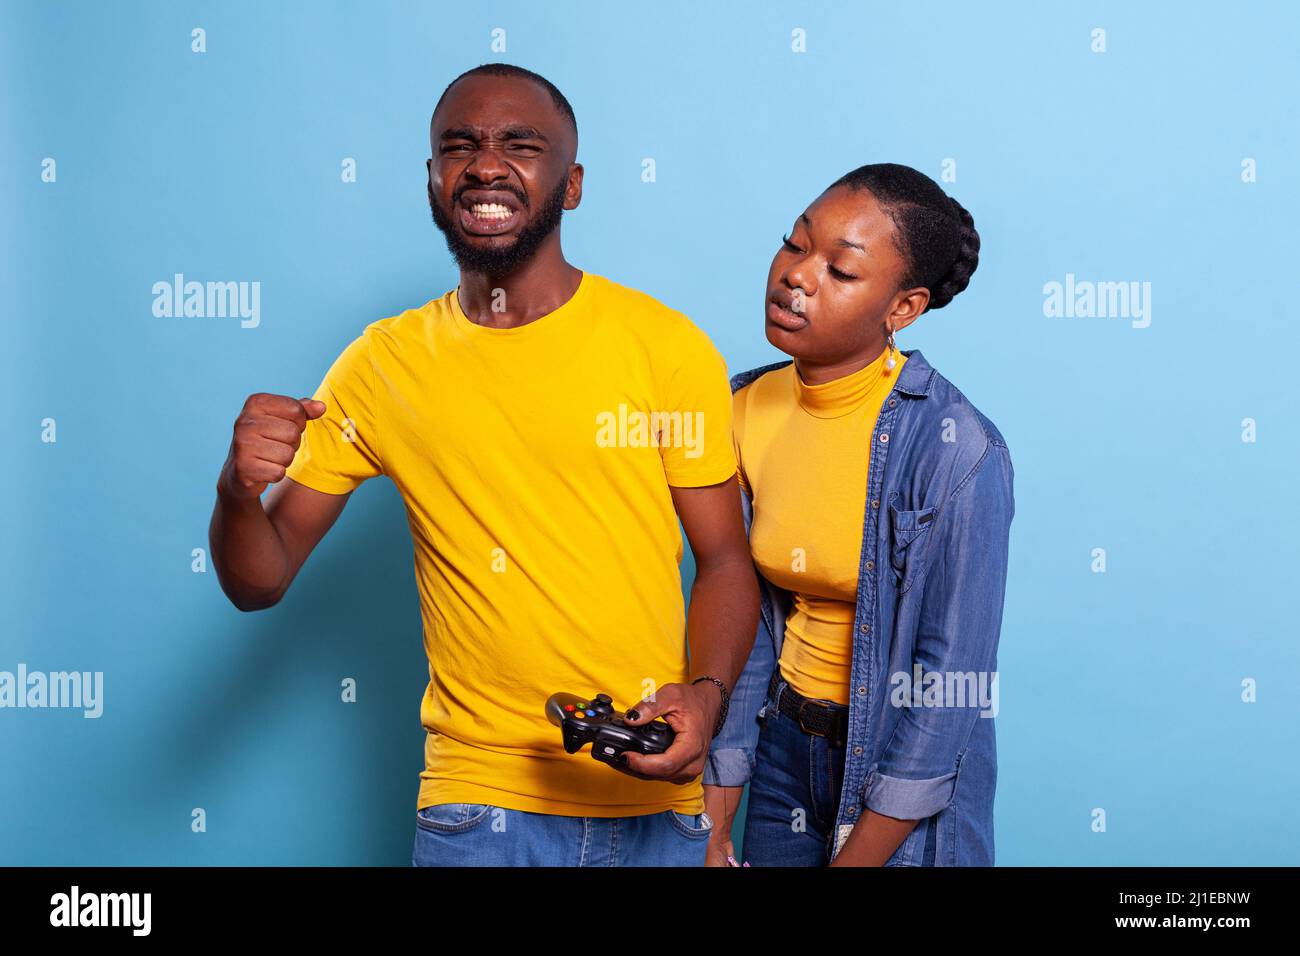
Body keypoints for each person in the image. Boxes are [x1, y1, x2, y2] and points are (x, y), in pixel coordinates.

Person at [208, 63, 759, 867]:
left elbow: (724, 559)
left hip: (651, 798)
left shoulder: (664, 347)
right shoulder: (381, 365)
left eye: (520, 146)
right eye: (458, 146)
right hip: (479, 804)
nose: (486, 164)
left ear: (571, 186)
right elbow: (259, 582)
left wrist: (706, 702)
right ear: (434, 183)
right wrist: (233, 490)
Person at [701, 163, 1014, 866]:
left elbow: (949, 687)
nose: (797, 277)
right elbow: (745, 621)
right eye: (794, 243)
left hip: (896, 773)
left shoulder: (956, 448)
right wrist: (715, 824)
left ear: (902, 308)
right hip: (781, 747)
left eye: (840, 271)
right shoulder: (741, 409)